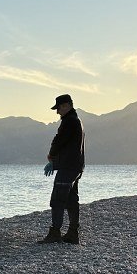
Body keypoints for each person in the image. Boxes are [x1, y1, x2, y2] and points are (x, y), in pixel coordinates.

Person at [40, 93, 85, 244]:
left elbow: (59, 141)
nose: (57, 112)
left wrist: (51, 157)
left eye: (58, 108)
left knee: (57, 199)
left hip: (67, 167)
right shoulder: (77, 121)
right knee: (71, 199)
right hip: (76, 167)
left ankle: (55, 232)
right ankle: (73, 233)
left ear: (66, 106)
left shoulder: (69, 121)